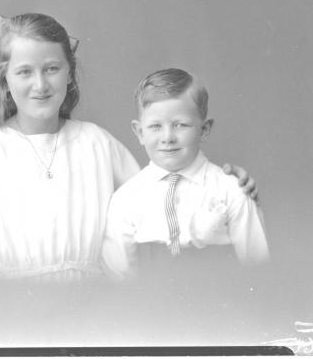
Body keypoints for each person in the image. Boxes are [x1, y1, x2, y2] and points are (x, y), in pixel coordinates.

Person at [0, 8, 258, 282]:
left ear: (69, 74)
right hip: (11, 312)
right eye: (25, 72)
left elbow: (162, 198)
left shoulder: (96, 143)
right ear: (5, 79)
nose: (40, 85)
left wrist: (225, 187)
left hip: (93, 310)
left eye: (52, 69)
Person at [101, 68, 269, 281]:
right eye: (155, 126)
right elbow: (119, 275)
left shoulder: (232, 189)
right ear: (140, 132)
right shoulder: (126, 199)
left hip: (223, 304)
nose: (168, 137)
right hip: (149, 307)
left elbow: (258, 266)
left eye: (180, 125)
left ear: (204, 129)